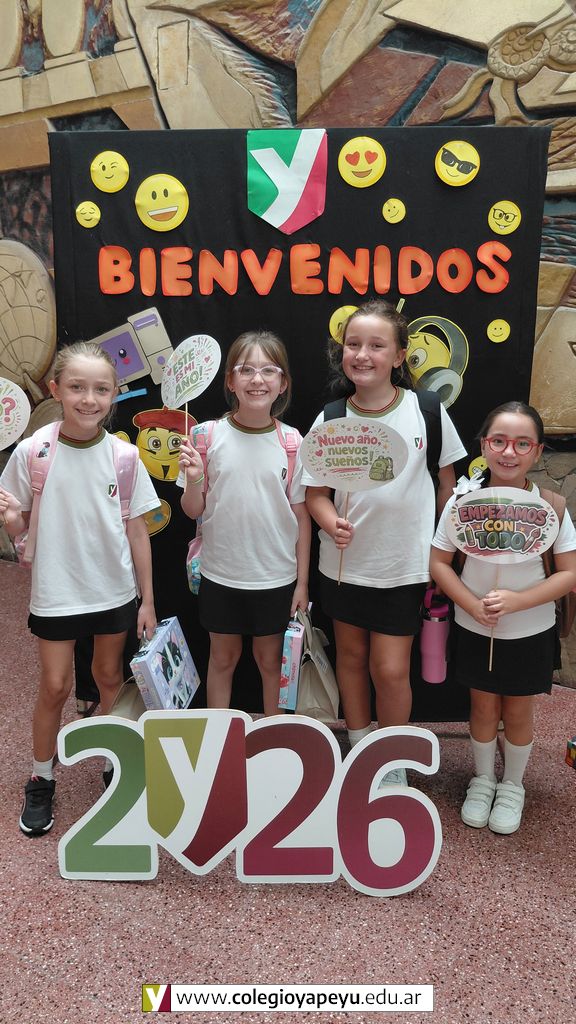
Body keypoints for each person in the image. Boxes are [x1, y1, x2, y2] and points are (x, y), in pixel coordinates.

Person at [0, 341, 160, 836]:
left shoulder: (125, 456)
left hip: (113, 592)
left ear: (114, 394)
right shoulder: (33, 451)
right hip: (56, 592)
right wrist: (11, 518)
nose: (89, 399)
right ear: (56, 390)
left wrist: (147, 600)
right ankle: (41, 777)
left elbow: (137, 531)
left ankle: (113, 761)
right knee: (55, 686)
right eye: (76, 387)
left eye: (100, 389)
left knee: (109, 678)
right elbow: (19, 526)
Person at [303, 300, 466, 782]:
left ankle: (391, 760)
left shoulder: (427, 411)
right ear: (342, 353)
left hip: (404, 567)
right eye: (353, 344)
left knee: (391, 669)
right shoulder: (331, 418)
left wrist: (440, 550)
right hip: (344, 567)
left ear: (398, 356)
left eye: (377, 345)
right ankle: (359, 748)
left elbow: (446, 487)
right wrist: (329, 522)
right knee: (351, 659)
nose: (363, 354)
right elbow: (315, 493)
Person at [431, 401, 576, 834]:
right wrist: (470, 604)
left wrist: (519, 601)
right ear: (483, 445)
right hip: (473, 625)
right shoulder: (461, 503)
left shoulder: (552, 506)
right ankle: (483, 779)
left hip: (530, 629)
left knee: (517, 710)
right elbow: (438, 563)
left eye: (522, 444)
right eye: (499, 441)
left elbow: (569, 573)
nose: (509, 452)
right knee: (481, 705)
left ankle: (512, 784)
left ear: (537, 451)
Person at [178, 330, 310, 715]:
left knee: (270, 662)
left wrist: (302, 582)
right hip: (220, 572)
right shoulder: (205, 436)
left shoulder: (292, 442)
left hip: (275, 575)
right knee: (222, 659)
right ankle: (220, 738)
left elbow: (301, 516)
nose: (257, 379)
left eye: (269, 370)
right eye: (246, 369)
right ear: (230, 381)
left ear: (283, 383)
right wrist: (195, 478)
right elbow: (191, 510)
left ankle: (272, 736)